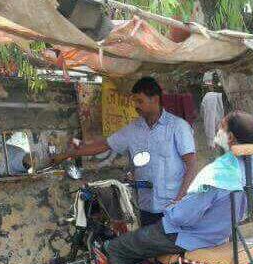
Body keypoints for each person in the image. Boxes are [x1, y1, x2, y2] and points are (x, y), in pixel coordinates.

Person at [102, 111, 253, 264]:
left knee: (119, 248)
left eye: (221, 127)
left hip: (185, 235)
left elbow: (183, 217)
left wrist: (171, 209)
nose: (217, 132)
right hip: (219, 234)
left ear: (230, 138)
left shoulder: (218, 174)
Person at [55, 77, 197, 226]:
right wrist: (68, 154)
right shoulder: (133, 130)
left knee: (176, 248)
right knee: (148, 248)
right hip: (146, 207)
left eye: (140, 101)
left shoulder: (178, 127)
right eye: (134, 101)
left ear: (154, 99)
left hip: (174, 207)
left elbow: (191, 165)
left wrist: (180, 199)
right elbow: (104, 145)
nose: (136, 106)